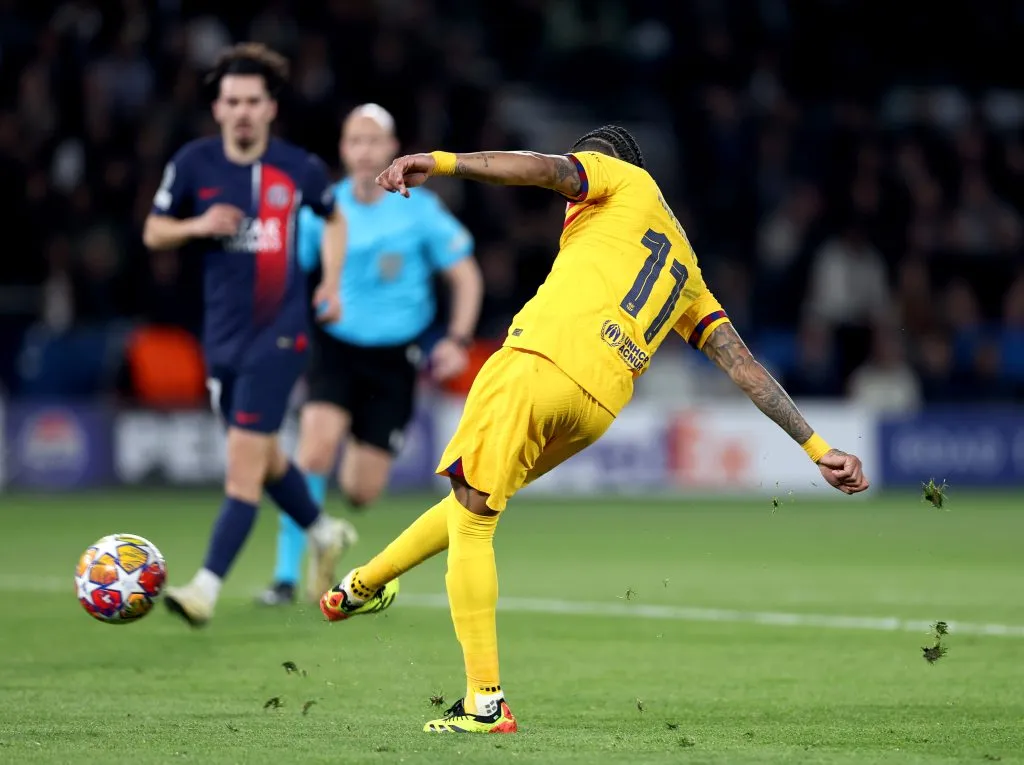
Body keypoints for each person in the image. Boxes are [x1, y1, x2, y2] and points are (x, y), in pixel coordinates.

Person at [319, 125, 871, 733]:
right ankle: (363, 585)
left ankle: (484, 701)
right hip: (598, 406)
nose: (569, 189)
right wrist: (817, 447)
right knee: (474, 493)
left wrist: (441, 162)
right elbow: (742, 366)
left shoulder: (620, 179)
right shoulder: (683, 266)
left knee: (476, 516)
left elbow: (540, 168)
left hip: (539, 362)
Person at [142, 43, 351, 627]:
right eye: (231, 100)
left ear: (270, 108)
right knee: (265, 456)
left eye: (252, 101)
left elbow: (334, 218)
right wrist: (196, 225)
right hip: (223, 339)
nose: (241, 111)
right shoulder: (193, 164)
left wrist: (330, 283)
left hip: (281, 335)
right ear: (216, 108)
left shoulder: (299, 168)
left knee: (241, 469)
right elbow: (153, 233)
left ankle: (205, 587)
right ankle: (323, 529)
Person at [259, 104, 483, 606]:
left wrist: (457, 339)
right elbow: (289, 275)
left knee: (361, 491)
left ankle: (331, 516)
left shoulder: (420, 210)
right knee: (313, 448)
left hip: (394, 360)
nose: (363, 151)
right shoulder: (323, 207)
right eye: (354, 141)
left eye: (372, 141)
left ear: (391, 148)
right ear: (343, 150)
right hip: (336, 347)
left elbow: (466, 275)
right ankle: (285, 576)